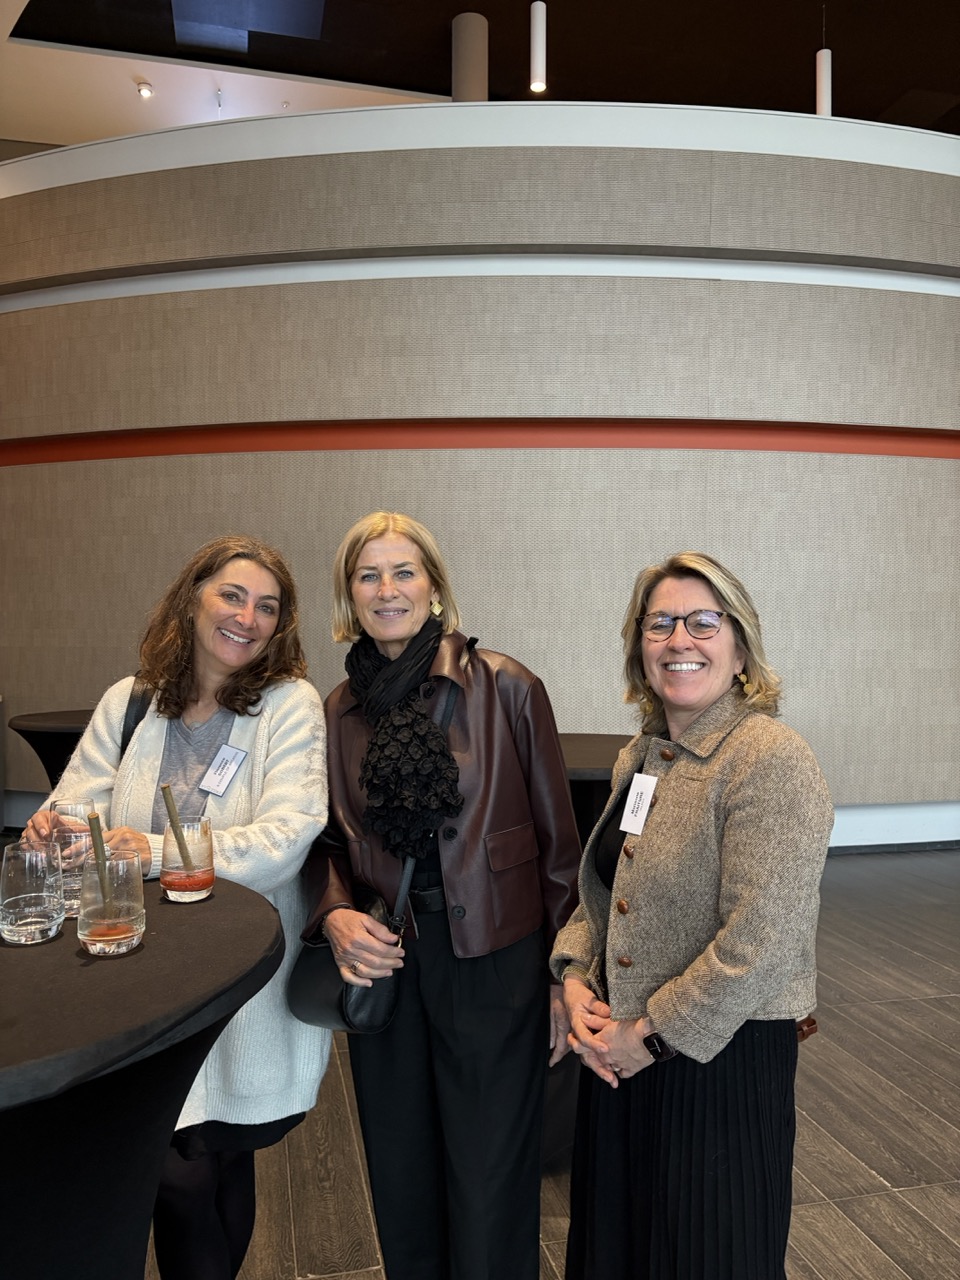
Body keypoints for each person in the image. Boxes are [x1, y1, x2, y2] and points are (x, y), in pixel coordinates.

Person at [27, 535, 330, 1280]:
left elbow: (284, 841)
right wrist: (57, 826)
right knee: (176, 1168)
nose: (247, 618)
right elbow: (78, 807)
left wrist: (154, 850)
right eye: (232, 595)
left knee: (217, 1154)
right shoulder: (132, 701)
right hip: (141, 973)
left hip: (238, 979)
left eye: (267, 607)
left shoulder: (288, 705)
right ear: (192, 599)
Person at [302, 511, 581, 1280]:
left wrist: (565, 976)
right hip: (389, 963)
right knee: (401, 1172)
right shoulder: (337, 711)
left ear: (434, 586)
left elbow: (561, 852)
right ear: (349, 595)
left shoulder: (508, 687)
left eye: (404, 571)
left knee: (491, 1177)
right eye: (368, 575)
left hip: (495, 961)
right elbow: (323, 843)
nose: (387, 589)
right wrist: (335, 913)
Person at [551, 551, 833, 1280]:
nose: (680, 640)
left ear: (740, 648)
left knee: (707, 1252)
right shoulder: (643, 757)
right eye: (660, 624)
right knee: (618, 1249)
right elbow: (604, 891)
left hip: (717, 1063)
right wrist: (574, 978)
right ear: (639, 648)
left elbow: (761, 941)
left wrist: (652, 1036)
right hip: (620, 1054)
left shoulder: (768, 757)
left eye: (704, 622)